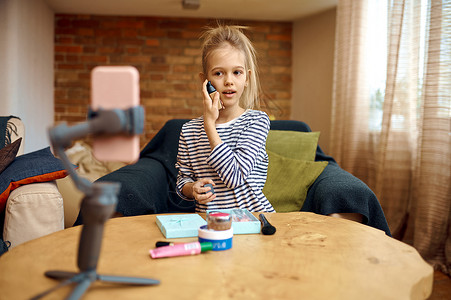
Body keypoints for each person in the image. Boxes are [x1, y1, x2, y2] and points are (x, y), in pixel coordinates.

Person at [175, 25, 275, 213]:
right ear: (205, 81)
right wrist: (192, 189)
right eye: (219, 73)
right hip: (209, 223)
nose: (229, 81)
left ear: (247, 78)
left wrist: (210, 126)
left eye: (237, 72)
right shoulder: (189, 130)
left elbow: (234, 177)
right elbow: (183, 180)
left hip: (254, 222)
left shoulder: (257, 122)